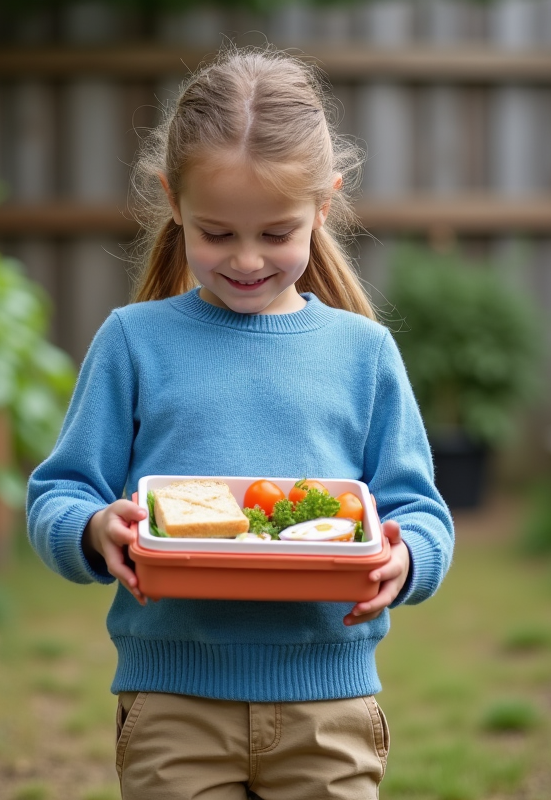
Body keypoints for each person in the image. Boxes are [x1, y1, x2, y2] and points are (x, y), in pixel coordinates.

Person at [26, 45, 454, 800]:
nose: (248, 259)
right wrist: (96, 531)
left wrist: (407, 559)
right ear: (174, 202)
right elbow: (57, 494)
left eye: (277, 232)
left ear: (325, 206)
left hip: (329, 706)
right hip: (173, 704)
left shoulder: (364, 353)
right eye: (218, 233)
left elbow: (420, 512)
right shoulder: (134, 341)